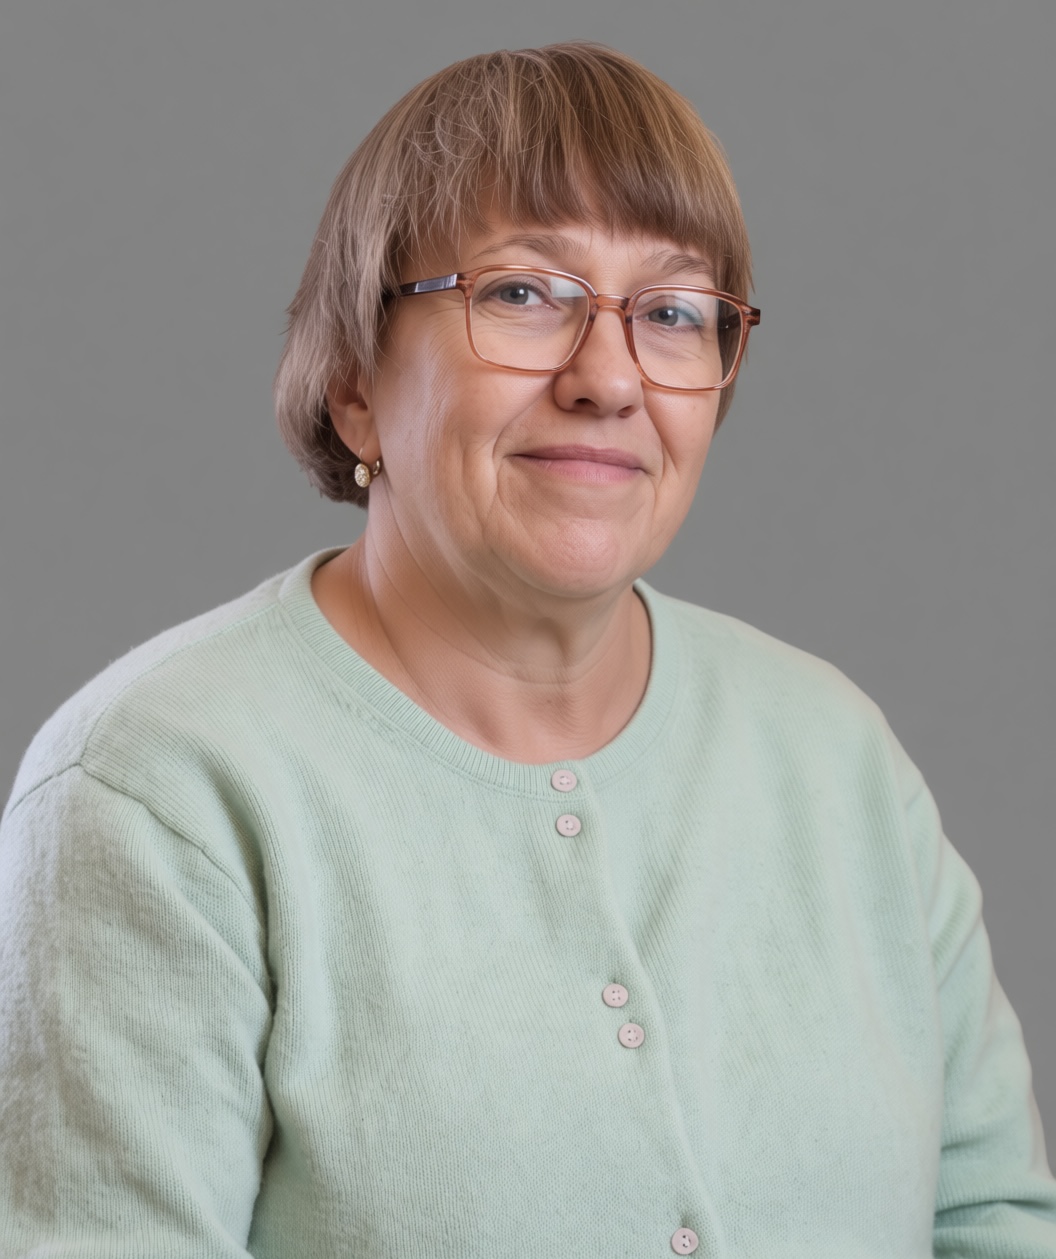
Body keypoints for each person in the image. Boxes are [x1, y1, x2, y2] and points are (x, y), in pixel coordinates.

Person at [1, 40, 1054, 1259]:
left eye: (672, 312)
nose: (609, 378)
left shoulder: (839, 754)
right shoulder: (158, 786)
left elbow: (996, 1224)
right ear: (354, 380)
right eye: (523, 293)